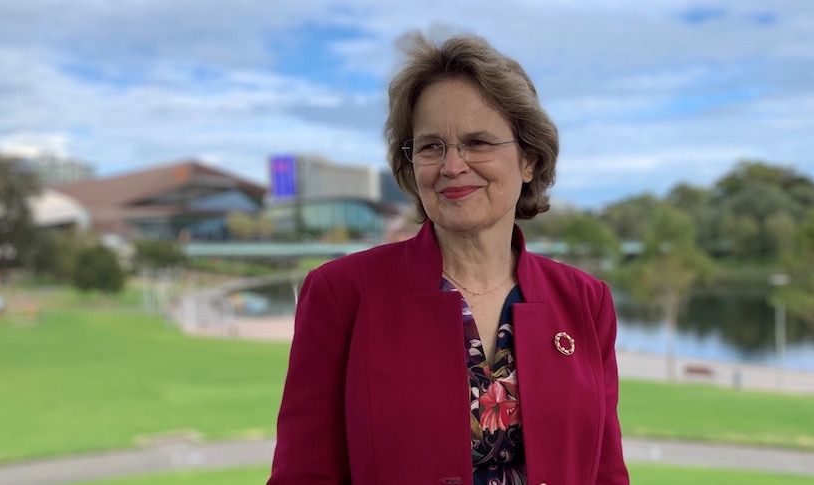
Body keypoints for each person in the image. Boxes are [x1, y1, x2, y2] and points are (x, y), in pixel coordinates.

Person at [267, 33, 629, 485]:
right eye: (431, 146)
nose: (452, 165)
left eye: (477, 142)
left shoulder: (585, 301)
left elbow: (606, 472)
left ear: (529, 159)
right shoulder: (342, 294)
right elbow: (305, 474)